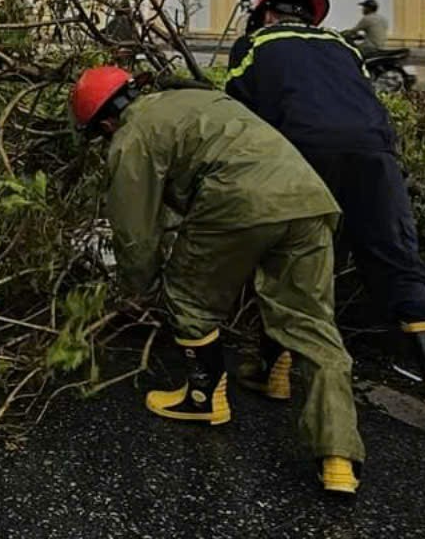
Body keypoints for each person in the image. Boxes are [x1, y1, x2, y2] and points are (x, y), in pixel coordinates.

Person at [72, 66, 364, 494]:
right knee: (312, 324)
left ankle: (203, 398)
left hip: (239, 199)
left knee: (187, 295)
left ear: (107, 122)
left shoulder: (131, 136)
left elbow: (135, 231)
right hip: (309, 198)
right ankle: (339, 457)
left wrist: (138, 288)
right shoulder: (200, 99)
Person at [227, 0, 425, 433]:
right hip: (374, 154)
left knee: (295, 258)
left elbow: (240, 118)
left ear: (268, 15)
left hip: (302, 154)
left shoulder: (253, 44)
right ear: (311, 18)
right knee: (397, 259)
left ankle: (276, 371)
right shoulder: (343, 46)